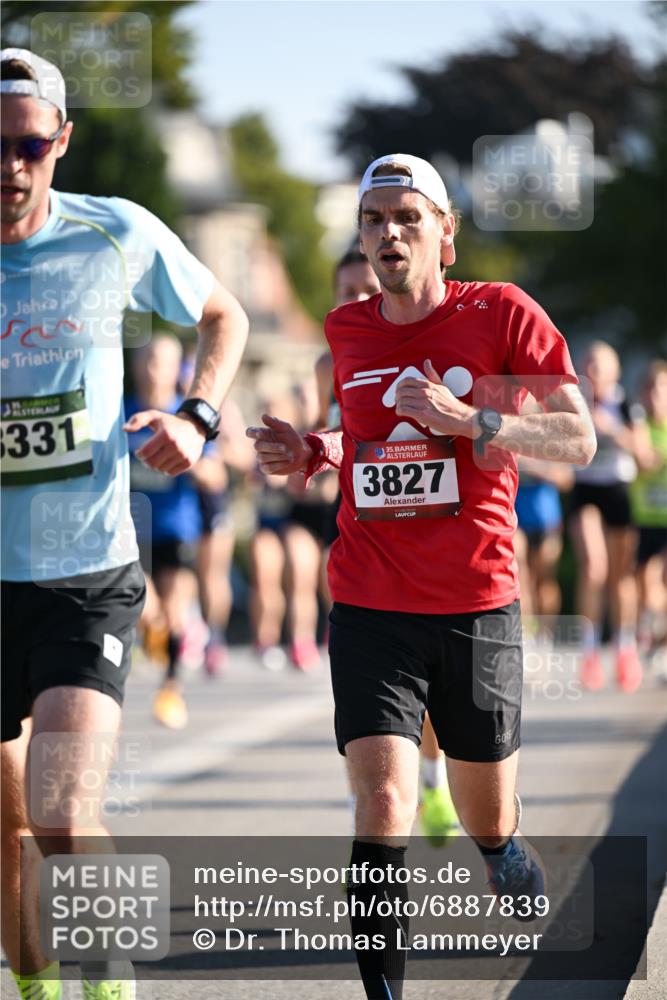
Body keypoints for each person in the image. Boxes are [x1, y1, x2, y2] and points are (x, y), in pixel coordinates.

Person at [248, 152, 595, 1000]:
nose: (389, 233)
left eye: (408, 217)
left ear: (446, 233)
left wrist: (471, 419)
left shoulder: (501, 312)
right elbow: (365, 436)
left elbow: (577, 439)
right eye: (373, 220)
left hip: (476, 601)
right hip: (370, 600)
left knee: (483, 811)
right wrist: (316, 449)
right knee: (382, 803)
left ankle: (499, 845)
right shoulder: (347, 327)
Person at [0, 49, 248, 1000]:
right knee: (7, 831)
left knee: (60, 814)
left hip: (85, 573)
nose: (11, 164)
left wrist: (198, 416)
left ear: (60, 142)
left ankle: (108, 982)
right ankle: (36, 989)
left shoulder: (113, 234)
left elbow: (223, 314)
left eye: (29, 145)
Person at [318, 249, 460, 843]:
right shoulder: (335, 355)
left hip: (431, 542)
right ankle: (383, 793)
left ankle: (432, 778)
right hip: (362, 535)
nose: (357, 300)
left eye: (365, 288)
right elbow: (336, 432)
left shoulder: (423, 342)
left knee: (428, 688)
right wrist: (309, 449)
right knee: (373, 695)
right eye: (346, 291)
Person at [127, 334, 227, 729]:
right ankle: (150, 636)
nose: (154, 369)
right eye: (148, 360)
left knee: (173, 612)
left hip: (177, 528)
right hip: (130, 530)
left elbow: (217, 478)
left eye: (163, 361)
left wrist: (189, 456)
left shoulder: (188, 417)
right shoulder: (121, 411)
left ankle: (170, 690)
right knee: (145, 606)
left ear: (177, 369)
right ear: (136, 366)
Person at [570, 341, 645, 692]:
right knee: (593, 567)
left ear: (614, 371)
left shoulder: (625, 404)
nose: (593, 372)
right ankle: (589, 652)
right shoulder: (575, 402)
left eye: (599, 366)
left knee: (620, 576)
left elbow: (643, 454)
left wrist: (611, 429)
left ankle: (624, 648)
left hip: (618, 488)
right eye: (588, 364)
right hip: (585, 489)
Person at [630, 360, 667, 670]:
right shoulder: (639, 425)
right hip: (645, 518)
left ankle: (662, 646)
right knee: (645, 585)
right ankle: (654, 630)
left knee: (659, 578)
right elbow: (644, 462)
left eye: (662, 388)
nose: (656, 395)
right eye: (651, 389)